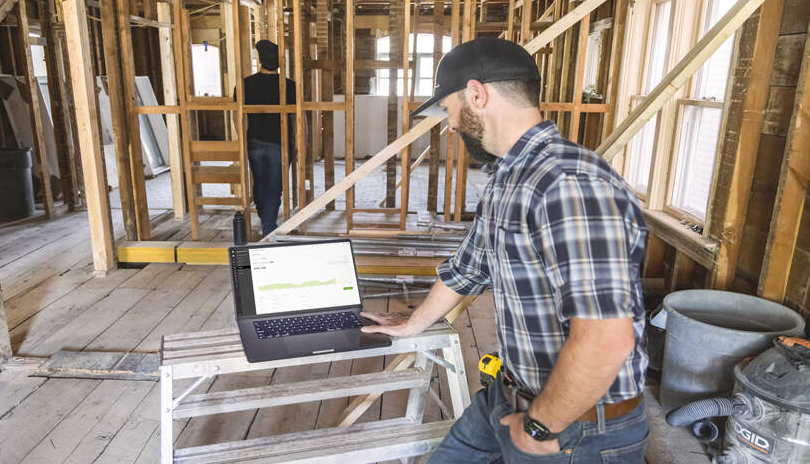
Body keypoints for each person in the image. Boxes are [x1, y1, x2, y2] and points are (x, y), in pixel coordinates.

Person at [361, 38, 649, 463]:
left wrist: (539, 427)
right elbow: (468, 269)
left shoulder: (567, 183)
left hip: (576, 425)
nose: (450, 125)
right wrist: (413, 324)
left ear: (477, 95)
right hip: (511, 394)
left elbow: (606, 339)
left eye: (449, 110)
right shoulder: (510, 177)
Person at [238, 39, 296, 236]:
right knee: (274, 187)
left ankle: (267, 221)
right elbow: (298, 119)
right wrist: (298, 143)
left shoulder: (245, 84)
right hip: (280, 144)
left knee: (260, 183)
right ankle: (269, 227)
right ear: (280, 62)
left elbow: (237, 117)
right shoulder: (288, 85)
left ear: (260, 60)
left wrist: (241, 139)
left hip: (253, 141)